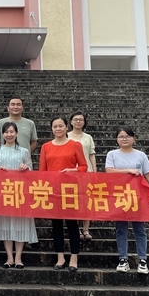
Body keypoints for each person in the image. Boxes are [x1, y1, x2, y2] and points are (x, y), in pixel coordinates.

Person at [105, 125, 149, 274]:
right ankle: (123, 259)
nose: (124, 139)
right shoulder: (112, 154)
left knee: (139, 228)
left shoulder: (140, 155)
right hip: (119, 196)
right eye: (121, 136)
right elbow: (109, 171)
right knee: (121, 229)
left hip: (137, 196)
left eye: (127, 136)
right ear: (117, 139)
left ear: (134, 138)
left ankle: (142, 260)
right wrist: (128, 171)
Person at [39, 116, 88, 271]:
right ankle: (60, 257)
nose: (58, 129)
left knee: (72, 224)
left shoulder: (75, 145)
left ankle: (74, 257)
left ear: (67, 127)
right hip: (53, 190)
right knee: (56, 224)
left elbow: (84, 167)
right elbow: (42, 171)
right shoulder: (46, 147)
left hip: (70, 189)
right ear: (51, 129)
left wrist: (73, 170)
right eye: (55, 126)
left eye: (61, 126)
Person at [0, 121, 35, 268]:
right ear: (2, 134)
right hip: (4, 192)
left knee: (20, 223)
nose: (9, 134)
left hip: (20, 192)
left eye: (11, 132)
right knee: (5, 223)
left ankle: (18, 258)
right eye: (6, 132)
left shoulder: (24, 151)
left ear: (16, 134)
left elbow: (31, 171)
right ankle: (9, 258)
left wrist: (25, 168)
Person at [68, 111, 97, 242]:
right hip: (71, 171)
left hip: (87, 171)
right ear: (71, 122)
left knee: (86, 200)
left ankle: (86, 229)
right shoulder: (66, 136)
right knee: (74, 200)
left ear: (84, 122)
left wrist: (94, 171)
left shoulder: (88, 137)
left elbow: (91, 154)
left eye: (81, 119)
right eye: (75, 119)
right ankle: (76, 228)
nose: (78, 121)